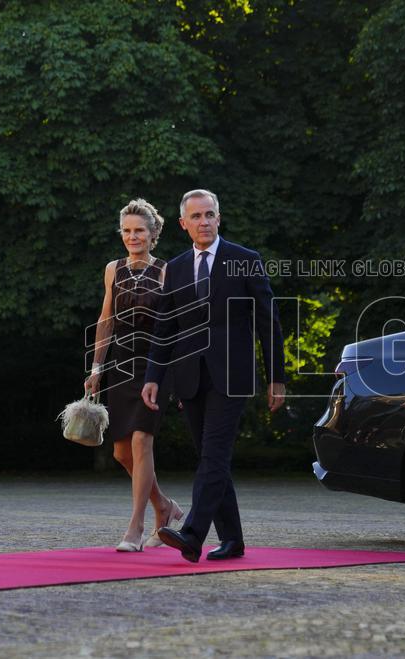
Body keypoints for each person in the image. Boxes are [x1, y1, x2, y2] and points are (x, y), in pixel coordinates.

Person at [141, 189, 286, 562]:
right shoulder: (173, 268)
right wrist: (153, 375)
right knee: (212, 459)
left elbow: (268, 323)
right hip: (189, 377)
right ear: (183, 224)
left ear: (219, 218)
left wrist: (276, 377)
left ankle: (192, 535)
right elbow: (165, 327)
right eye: (196, 216)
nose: (204, 222)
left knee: (214, 456)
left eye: (210, 215)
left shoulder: (245, 260)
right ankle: (233, 540)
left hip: (233, 377)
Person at [84, 199, 183, 552]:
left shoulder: (167, 271)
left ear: (153, 233)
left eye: (139, 230)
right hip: (121, 366)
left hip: (157, 366)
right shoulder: (113, 269)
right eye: (126, 230)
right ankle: (164, 506)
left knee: (142, 442)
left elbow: (178, 327)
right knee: (122, 454)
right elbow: (105, 320)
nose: (132, 236)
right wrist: (96, 367)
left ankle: (136, 528)